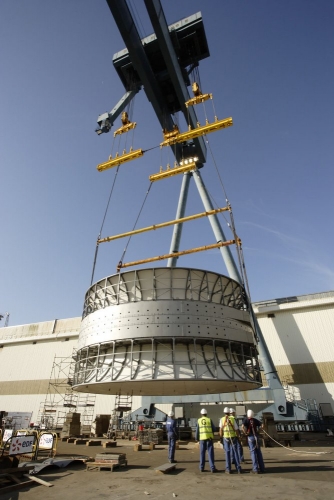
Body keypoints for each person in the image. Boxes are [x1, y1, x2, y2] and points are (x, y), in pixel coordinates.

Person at [219, 407, 242, 474]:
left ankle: (228, 469)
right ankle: (238, 468)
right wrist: (238, 437)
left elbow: (220, 430)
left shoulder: (222, 419)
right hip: (233, 437)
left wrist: (220, 438)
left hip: (226, 438)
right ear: (229, 412)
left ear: (224, 412)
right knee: (235, 452)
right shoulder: (232, 419)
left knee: (227, 453)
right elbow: (236, 429)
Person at [242, 409, 265, 474]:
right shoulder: (255, 420)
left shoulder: (246, 420)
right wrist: (259, 431)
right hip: (256, 436)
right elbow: (262, 425)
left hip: (250, 437)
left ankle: (255, 469)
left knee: (253, 453)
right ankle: (262, 468)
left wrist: (245, 433)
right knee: (259, 453)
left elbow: (242, 426)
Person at [195, 408, 218, 473]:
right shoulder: (209, 420)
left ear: (201, 414)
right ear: (206, 414)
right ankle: (212, 468)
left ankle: (201, 467)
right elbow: (214, 429)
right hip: (209, 439)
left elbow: (197, 430)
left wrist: (196, 438)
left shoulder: (199, 420)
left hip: (202, 439)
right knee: (210, 453)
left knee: (202, 453)